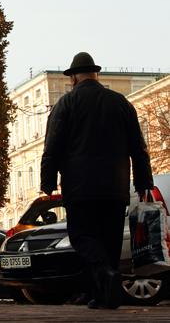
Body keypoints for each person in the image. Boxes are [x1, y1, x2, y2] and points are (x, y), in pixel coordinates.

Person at [41, 52, 153, 309]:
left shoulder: (66, 104)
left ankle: (105, 276)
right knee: (110, 240)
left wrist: (47, 182)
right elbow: (139, 148)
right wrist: (144, 183)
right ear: (95, 74)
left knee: (82, 237)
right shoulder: (120, 103)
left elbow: (52, 147)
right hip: (115, 187)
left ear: (73, 78)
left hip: (80, 188)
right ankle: (104, 296)